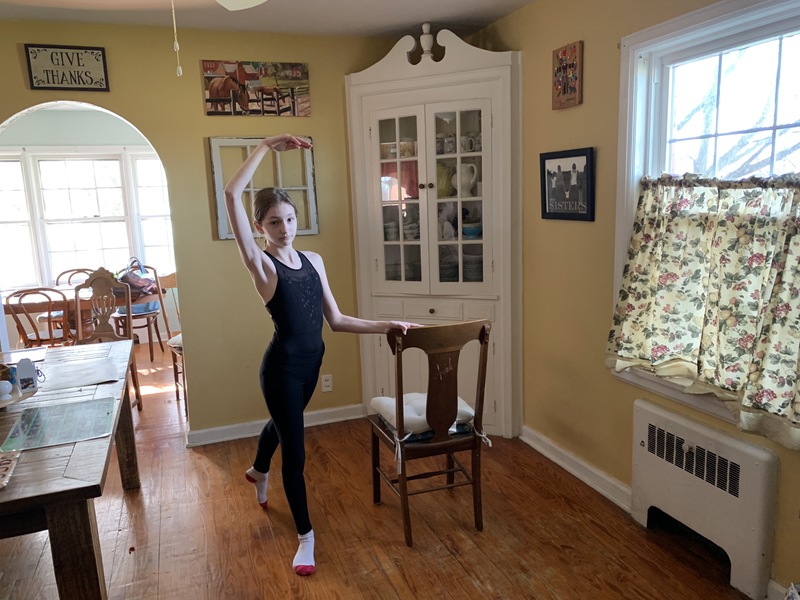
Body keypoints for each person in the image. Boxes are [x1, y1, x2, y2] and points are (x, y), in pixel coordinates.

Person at [223, 134, 418, 577]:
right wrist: (266, 147)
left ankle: (256, 469)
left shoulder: (314, 259)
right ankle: (305, 538)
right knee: (296, 451)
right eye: (273, 222)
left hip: (312, 367)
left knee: (282, 421)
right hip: (281, 371)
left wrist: (387, 324)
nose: (284, 228)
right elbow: (232, 194)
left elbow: (337, 320)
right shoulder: (263, 267)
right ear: (261, 229)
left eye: (289, 219)